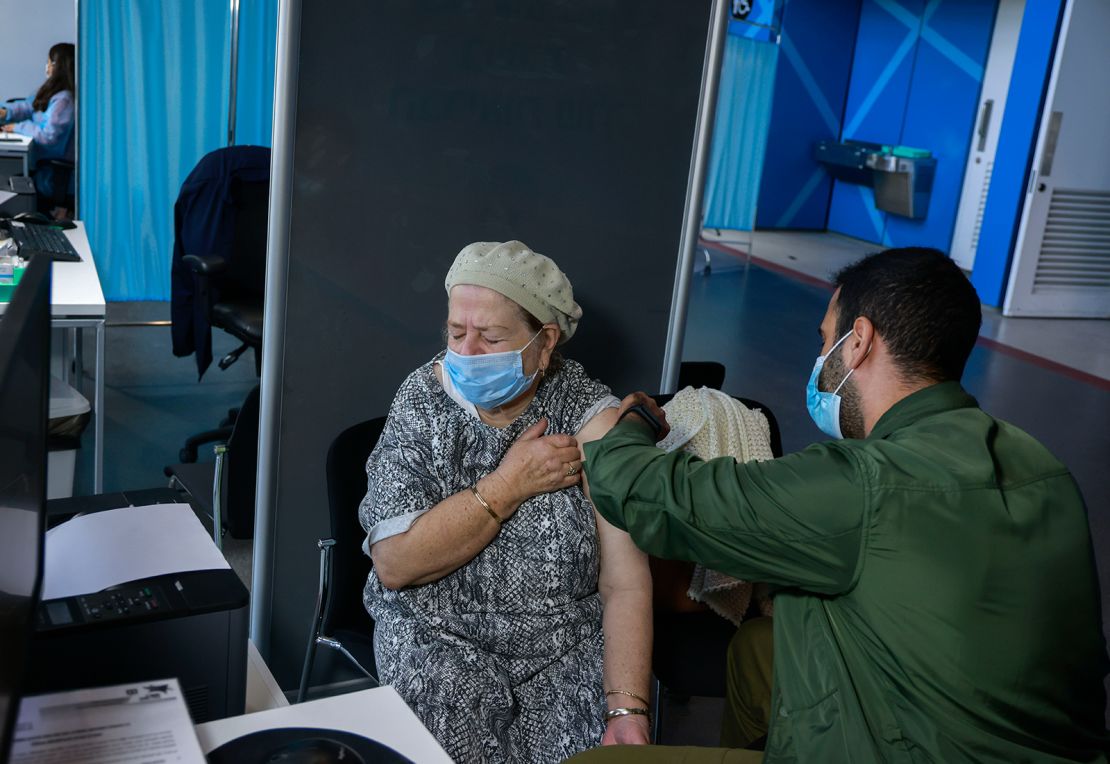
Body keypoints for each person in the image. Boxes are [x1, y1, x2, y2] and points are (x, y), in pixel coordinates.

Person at [573, 248, 1109, 762]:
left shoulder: (861, 483)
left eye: (825, 341)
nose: (820, 362)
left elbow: (636, 487)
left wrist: (638, 418)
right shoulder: (1041, 465)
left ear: (859, 343)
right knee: (760, 648)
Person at [360, 241, 652, 762]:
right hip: (440, 639)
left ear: (545, 343)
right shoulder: (421, 402)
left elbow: (624, 580)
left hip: (564, 646)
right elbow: (395, 564)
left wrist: (627, 711)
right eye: (456, 332)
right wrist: (508, 484)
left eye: (491, 337)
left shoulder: (587, 415)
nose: (466, 352)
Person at [0, 43, 77, 213]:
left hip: (53, 174)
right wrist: (6, 113)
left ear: (58, 66)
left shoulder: (64, 101)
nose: (47, 66)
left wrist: (18, 127)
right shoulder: (54, 93)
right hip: (43, 166)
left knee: (6, 183)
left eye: (50, 62)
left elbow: (49, 137)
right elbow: (30, 107)